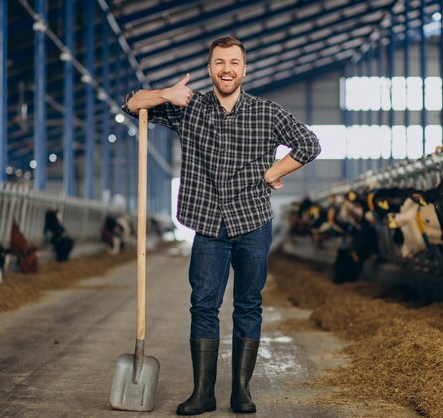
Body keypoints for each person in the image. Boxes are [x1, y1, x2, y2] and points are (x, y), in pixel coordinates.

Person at [123, 36, 320, 415]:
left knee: (248, 304)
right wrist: (166, 94)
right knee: (203, 306)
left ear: (245, 69)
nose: (226, 68)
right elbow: (131, 104)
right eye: (219, 62)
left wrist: (273, 172)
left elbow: (309, 145)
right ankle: (203, 394)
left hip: (253, 223)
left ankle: (241, 392)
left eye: (234, 62)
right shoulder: (189, 107)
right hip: (208, 225)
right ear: (210, 68)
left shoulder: (267, 113)